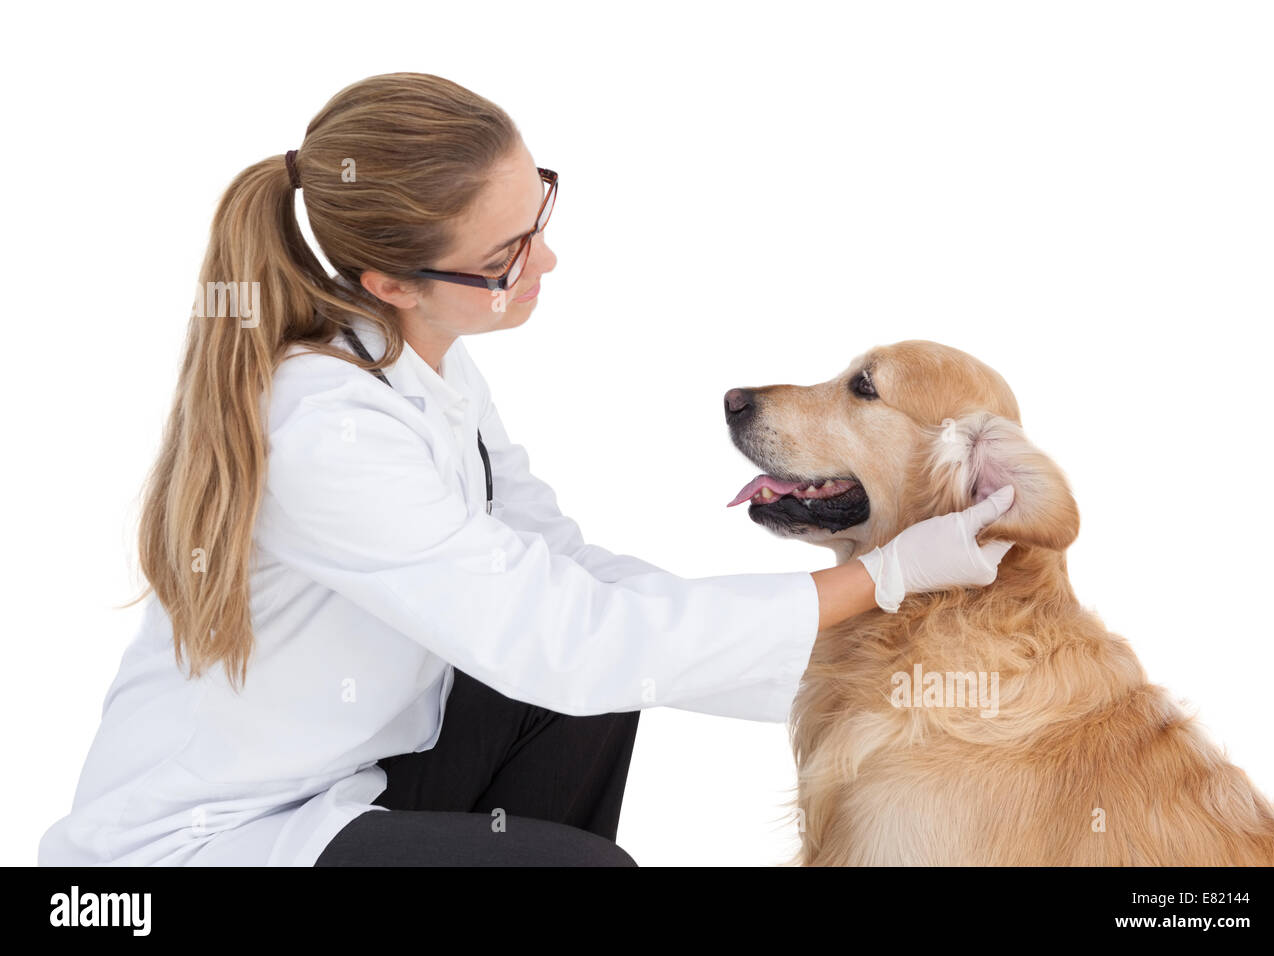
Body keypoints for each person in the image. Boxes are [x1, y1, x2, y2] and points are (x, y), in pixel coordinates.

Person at [37, 72, 1015, 868]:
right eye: (507, 251)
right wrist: (876, 577)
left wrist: (884, 674)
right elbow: (567, 636)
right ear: (390, 283)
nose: (548, 257)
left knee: (586, 683)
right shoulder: (325, 429)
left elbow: (569, 579)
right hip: (202, 845)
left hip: (348, 776)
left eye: (539, 208)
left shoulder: (426, 367)